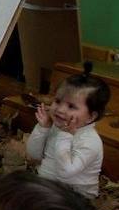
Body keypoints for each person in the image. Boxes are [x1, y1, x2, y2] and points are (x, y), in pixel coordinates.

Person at [26, 63, 111, 197]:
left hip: (74, 197)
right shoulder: (57, 126)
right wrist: (43, 128)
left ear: (90, 117)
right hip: (47, 186)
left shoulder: (90, 141)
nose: (60, 109)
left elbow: (65, 172)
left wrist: (65, 136)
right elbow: (34, 154)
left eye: (71, 106)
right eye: (58, 101)